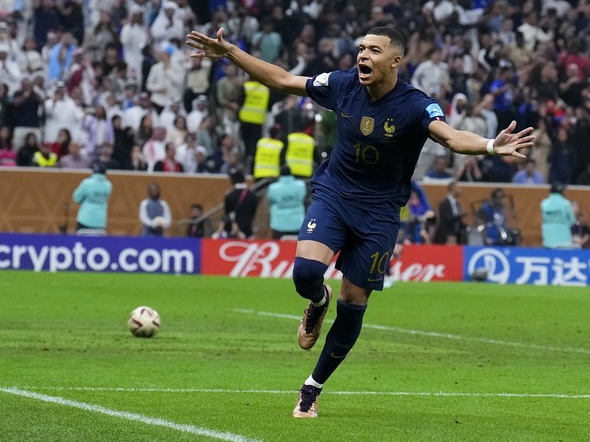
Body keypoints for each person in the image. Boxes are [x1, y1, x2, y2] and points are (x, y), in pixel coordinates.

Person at [186, 26, 534, 418]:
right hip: (334, 195)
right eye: (361, 48)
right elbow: (281, 79)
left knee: (355, 302)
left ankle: (311, 389)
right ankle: (318, 300)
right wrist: (231, 51)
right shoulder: (342, 84)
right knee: (305, 274)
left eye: (373, 50)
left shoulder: (416, 106)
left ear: (395, 61)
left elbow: (452, 138)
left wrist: (491, 145)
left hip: (380, 214)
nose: (363, 56)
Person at [267, 166, 307, 239]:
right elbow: (302, 197)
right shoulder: (301, 185)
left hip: (278, 224)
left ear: (280, 174)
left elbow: (270, 201)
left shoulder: (273, 188)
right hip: (297, 223)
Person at [72, 163, 112, 233]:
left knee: (80, 240)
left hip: (85, 218)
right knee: (97, 242)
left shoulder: (87, 183)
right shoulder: (108, 185)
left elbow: (76, 197)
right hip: (100, 219)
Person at [222, 168, 260, 238]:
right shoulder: (252, 195)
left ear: (233, 180)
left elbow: (227, 213)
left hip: (233, 230)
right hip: (248, 228)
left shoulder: (230, 195)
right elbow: (253, 211)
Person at [540, 183, 574, 248]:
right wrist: (564, 223)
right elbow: (572, 220)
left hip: (548, 235)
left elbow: (544, 218)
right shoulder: (566, 203)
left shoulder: (544, 203)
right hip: (564, 235)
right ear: (561, 192)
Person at [434, 180, 465, 245]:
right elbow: (446, 220)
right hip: (445, 237)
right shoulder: (444, 203)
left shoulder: (457, 204)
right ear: (453, 189)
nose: (460, 190)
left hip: (455, 235)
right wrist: (460, 215)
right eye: (458, 188)